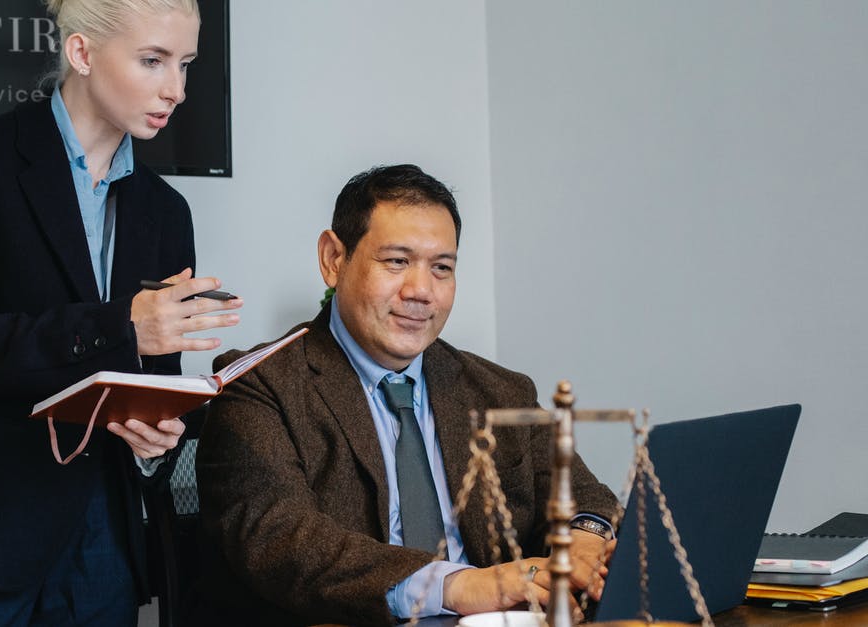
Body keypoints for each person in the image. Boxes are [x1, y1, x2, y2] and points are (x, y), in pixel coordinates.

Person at [0, 1, 240, 625]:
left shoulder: (166, 213)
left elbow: (150, 378)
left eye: (186, 64)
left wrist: (155, 437)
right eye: (153, 60)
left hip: (100, 551)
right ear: (82, 53)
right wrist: (122, 327)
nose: (176, 89)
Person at [193, 165, 619, 627]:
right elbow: (282, 542)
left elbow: (586, 494)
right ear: (334, 259)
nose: (421, 292)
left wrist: (584, 538)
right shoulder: (258, 386)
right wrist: (457, 585)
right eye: (397, 261)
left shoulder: (501, 390)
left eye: (442, 268)